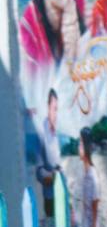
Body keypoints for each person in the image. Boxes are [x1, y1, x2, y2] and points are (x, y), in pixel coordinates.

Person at [34, 87, 63, 220]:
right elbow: (39, 172)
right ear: (48, 108)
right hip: (50, 199)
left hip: (61, 195)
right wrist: (52, 176)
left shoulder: (56, 134)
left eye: (57, 109)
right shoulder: (41, 134)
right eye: (53, 109)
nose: (56, 114)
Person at [76, 127, 99, 227]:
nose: (78, 147)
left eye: (80, 143)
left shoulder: (92, 174)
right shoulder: (81, 172)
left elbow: (95, 203)